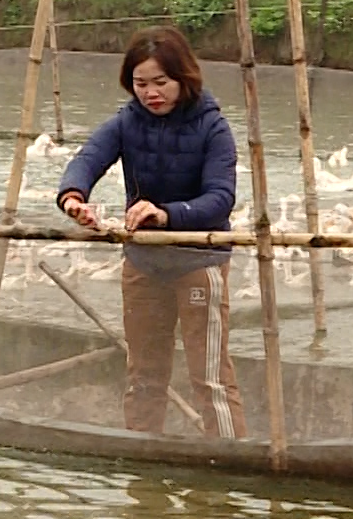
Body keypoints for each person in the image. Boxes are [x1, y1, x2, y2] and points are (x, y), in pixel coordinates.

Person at [56, 26, 247, 438]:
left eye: (160, 82)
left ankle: (232, 458)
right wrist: (73, 198)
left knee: (209, 374)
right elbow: (87, 159)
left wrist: (165, 214)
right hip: (144, 261)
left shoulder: (212, 128)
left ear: (183, 79)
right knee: (143, 373)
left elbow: (221, 198)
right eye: (140, 84)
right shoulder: (127, 123)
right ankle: (143, 454)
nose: (151, 93)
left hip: (199, 259)